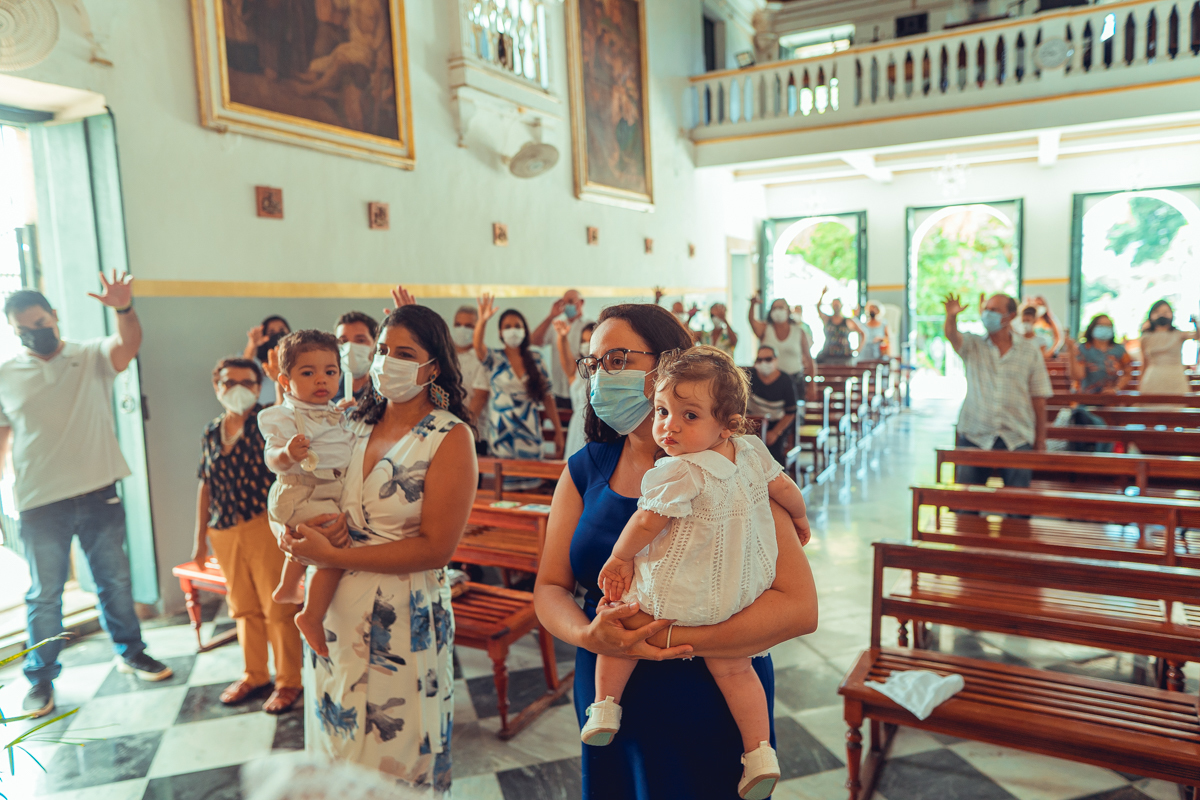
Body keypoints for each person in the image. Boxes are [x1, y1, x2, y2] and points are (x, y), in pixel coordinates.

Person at [533, 303, 818, 800]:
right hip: (608, 686)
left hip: (710, 687)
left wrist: (669, 637)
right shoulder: (586, 467)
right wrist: (591, 634)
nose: (604, 376)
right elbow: (550, 587)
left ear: (670, 363)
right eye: (594, 363)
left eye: (618, 359)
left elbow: (800, 609)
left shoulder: (735, 467)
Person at [281, 303, 477, 794]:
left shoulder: (449, 437)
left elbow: (436, 549)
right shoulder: (349, 423)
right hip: (331, 615)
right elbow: (305, 487)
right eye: (383, 349)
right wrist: (291, 532)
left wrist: (335, 557)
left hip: (401, 617)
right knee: (338, 740)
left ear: (433, 366)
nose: (386, 360)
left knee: (396, 750)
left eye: (404, 353)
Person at [0, 280, 172, 718]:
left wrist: (124, 308)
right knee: (45, 595)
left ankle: (132, 652)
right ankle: (40, 678)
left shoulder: (89, 355)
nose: (33, 332)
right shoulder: (5, 376)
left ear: (53, 315)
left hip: (98, 493)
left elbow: (128, 343)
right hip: (40, 502)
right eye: (23, 329)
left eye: (39, 323)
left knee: (114, 582)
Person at [194, 356, 306, 713]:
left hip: (263, 525)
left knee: (277, 607)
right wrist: (199, 538)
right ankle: (254, 673)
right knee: (242, 607)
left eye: (248, 382)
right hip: (223, 530)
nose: (238, 389)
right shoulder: (212, 432)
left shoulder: (266, 424)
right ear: (216, 387)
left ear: (260, 388)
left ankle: (289, 681)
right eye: (229, 382)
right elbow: (205, 484)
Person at [258, 331, 356, 657]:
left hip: (325, 492)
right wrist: (287, 454)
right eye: (308, 372)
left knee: (320, 539)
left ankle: (288, 588)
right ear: (285, 381)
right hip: (297, 492)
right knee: (333, 549)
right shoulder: (283, 416)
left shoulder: (334, 413)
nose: (321, 380)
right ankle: (310, 616)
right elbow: (271, 458)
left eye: (330, 372)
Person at [943, 292, 1052, 489]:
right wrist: (951, 316)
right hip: (976, 433)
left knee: (1018, 504)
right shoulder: (973, 345)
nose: (987, 314)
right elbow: (952, 335)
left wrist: (1041, 439)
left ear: (1010, 316)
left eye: (994, 310)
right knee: (966, 503)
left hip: (1016, 436)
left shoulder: (1029, 351)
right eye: (986, 309)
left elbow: (1039, 397)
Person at [474, 295, 565, 471]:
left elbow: (548, 398)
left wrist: (558, 432)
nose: (513, 330)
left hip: (529, 437)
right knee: (503, 493)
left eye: (517, 326)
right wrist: (483, 321)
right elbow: (478, 346)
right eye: (507, 327)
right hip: (501, 439)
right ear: (500, 333)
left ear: (525, 331)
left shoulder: (536, 359)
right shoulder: (494, 359)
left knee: (530, 492)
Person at [530, 289, 592, 409]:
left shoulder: (589, 325)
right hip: (559, 391)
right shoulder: (557, 325)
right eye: (564, 303)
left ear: (581, 302)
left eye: (570, 301)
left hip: (583, 390)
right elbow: (534, 341)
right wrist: (551, 316)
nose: (567, 306)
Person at [747, 295, 815, 399]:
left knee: (794, 412)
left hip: (794, 380)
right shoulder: (765, 329)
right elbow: (752, 321)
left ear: (788, 311)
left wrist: (811, 386)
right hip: (770, 381)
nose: (777, 311)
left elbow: (809, 359)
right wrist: (752, 305)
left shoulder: (799, 332)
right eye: (774, 308)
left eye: (781, 308)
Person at [553, 318, 597, 459]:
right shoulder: (577, 371)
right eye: (583, 341)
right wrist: (562, 337)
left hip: (599, 427)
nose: (586, 345)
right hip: (578, 427)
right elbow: (565, 358)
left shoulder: (608, 370)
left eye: (589, 341)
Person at [747, 346, 798, 467]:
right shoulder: (748, 376)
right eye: (759, 360)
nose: (763, 363)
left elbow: (791, 412)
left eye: (768, 359)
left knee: (773, 455)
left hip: (776, 424)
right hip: (753, 424)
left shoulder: (786, 381)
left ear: (776, 359)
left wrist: (775, 433)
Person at [451, 304, 492, 451]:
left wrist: (460, 431)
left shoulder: (483, 358)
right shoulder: (445, 356)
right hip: (443, 434)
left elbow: (480, 398)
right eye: (458, 324)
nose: (462, 329)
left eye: (468, 325)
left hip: (474, 435)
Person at [1137, 300, 1199, 395]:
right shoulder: (1145, 337)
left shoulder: (1179, 334)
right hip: (1153, 379)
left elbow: (1197, 336)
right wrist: (1140, 384)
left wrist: (1196, 323)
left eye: (1165, 312)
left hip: (1176, 378)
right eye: (1158, 312)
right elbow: (1144, 362)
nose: (1162, 315)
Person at [1069, 314, 1132, 394]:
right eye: (1101, 325)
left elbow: (1128, 373)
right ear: (1093, 327)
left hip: (1110, 397)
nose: (1105, 328)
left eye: (1108, 326)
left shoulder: (1119, 350)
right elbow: (1078, 375)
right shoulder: (1083, 349)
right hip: (1086, 396)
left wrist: (1116, 389)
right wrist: (1070, 350)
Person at [332, 311, 378, 405]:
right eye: (343, 341)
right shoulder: (327, 390)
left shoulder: (384, 392)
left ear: (375, 344)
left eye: (360, 340)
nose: (350, 347)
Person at [245, 315, 291, 405]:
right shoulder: (259, 364)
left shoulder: (299, 359)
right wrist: (252, 345)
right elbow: (244, 369)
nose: (278, 335)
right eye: (271, 332)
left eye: (282, 331)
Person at [815, 287, 863, 364]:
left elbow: (862, 333)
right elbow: (818, 309)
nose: (836, 307)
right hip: (828, 355)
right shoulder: (827, 319)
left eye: (837, 305)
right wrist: (822, 295)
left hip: (844, 356)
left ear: (841, 306)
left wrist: (858, 350)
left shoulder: (848, 321)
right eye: (834, 305)